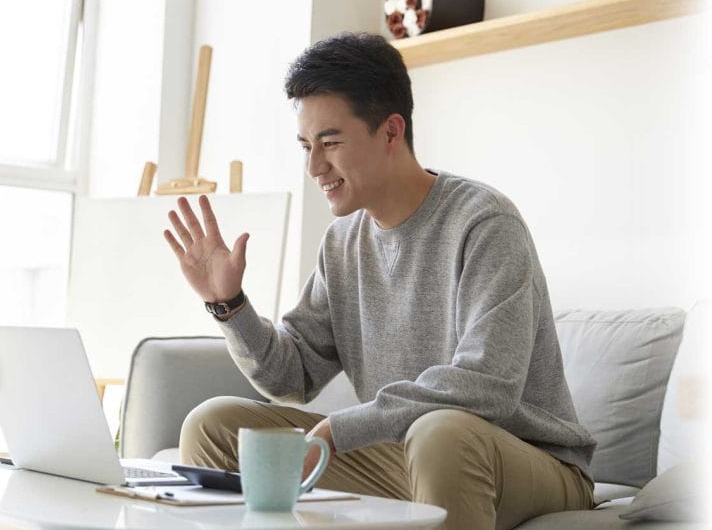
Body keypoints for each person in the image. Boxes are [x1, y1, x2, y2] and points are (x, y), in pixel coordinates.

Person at [162, 32, 597, 530]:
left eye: (330, 143)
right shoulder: (342, 242)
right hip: (408, 455)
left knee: (442, 434)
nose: (314, 166)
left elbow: (488, 385)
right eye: (306, 145)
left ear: (391, 132)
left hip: (530, 463)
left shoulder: (484, 222)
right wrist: (229, 305)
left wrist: (340, 429)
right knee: (215, 424)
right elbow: (293, 378)